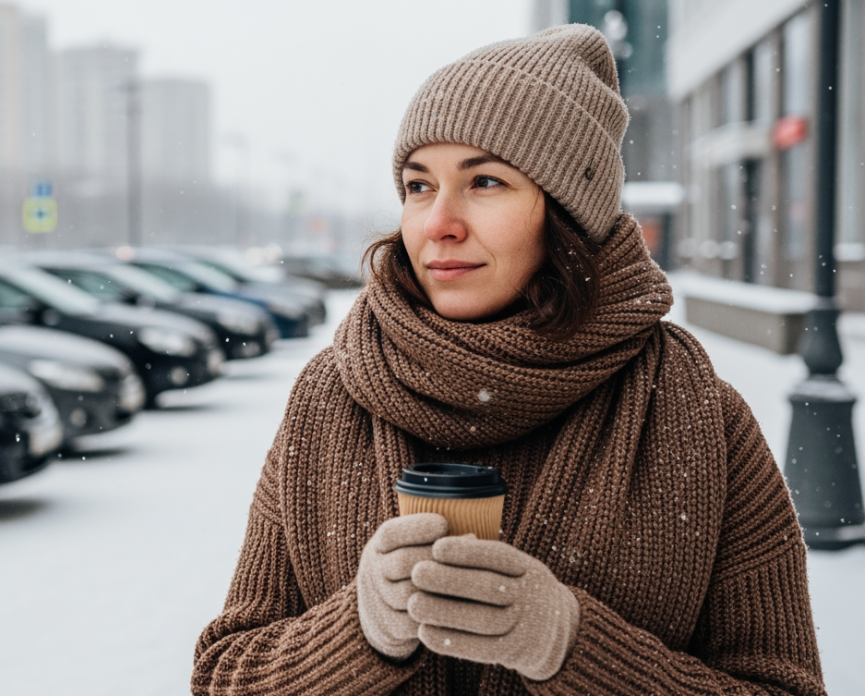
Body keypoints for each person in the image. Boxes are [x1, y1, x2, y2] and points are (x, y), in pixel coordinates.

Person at [191, 25, 825, 696]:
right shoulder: (330, 397)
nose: (438, 223)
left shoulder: (694, 414)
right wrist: (357, 632)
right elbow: (225, 675)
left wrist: (573, 647)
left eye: (485, 181)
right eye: (417, 185)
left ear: (569, 214)